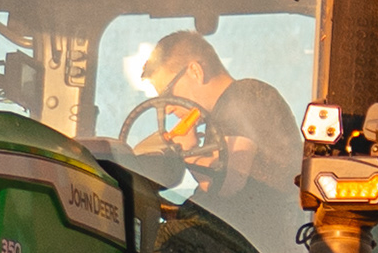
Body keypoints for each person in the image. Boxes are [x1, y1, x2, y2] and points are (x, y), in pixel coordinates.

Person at [119, 24, 305, 230]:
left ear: (195, 71)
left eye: (168, 94)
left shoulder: (245, 96)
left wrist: (187, 150)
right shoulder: (217, 120)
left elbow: (228, 183)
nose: (168, 108)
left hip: (253, 240)